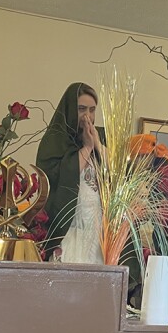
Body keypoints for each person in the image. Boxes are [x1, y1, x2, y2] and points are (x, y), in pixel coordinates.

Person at [36, 82, 106, 264]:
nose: (87, 116)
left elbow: (115, 173)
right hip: (68, 231)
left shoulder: (99, 139)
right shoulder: (55, 140)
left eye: (92, 110)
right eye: (82, 109)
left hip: (97, 234)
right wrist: (87, 147)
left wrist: (96, 144)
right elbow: (61, 177)